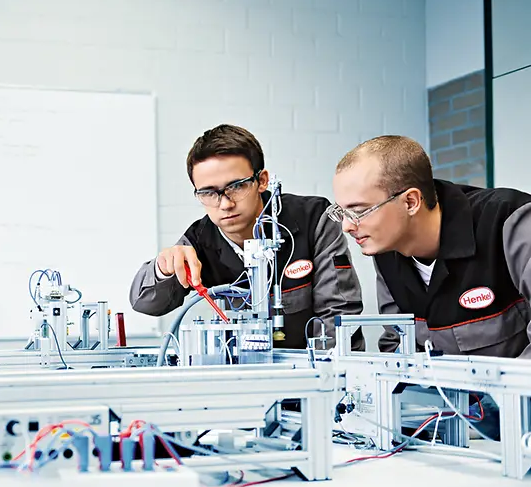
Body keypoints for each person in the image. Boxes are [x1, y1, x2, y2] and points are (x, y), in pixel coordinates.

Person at [129, 124, 365, 351]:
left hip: (312, 373)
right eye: (209, 193)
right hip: (242, 375)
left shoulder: (313, 219)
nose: (225, 203)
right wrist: (163, 268)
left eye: (237, 186)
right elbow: (145, 302)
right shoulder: (199, 240)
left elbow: (339, 315)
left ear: (261, 181)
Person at [329, 135, 531, 359]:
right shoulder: (387, 252)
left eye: (358, 211)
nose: (346, 226)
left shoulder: (510, 222)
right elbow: (397, 347)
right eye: (342, 212)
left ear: (410, 202)